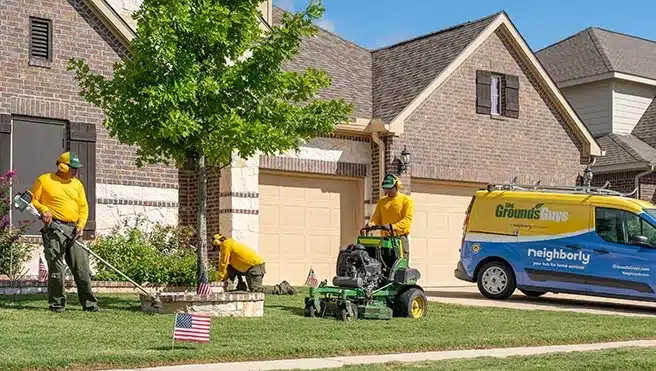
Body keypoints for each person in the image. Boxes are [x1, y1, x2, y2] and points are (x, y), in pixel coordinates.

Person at [29, 151, 99, 313]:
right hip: (55, 228)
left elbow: (83, 207)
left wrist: (81, 225)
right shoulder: (45, 180)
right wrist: (44, 210)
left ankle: (90, 305)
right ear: (62, 166)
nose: (76, 171)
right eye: (73, 168)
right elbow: (33, 199)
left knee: (82, 267)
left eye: (77, 168)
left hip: (74, 229)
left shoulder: (77, 184)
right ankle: (57, 305)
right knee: (56, 268)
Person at [212, 234, 296, 295]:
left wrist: (219, 280)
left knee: (256, 290)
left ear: (217, 243)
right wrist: (223, 279)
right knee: (230, 267)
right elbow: (227, 267)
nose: (218, 250)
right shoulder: (229, 243)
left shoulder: (225, 245)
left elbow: (223, 264)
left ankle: (283, 287)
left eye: (216, 248)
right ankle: (241, 287)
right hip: (250, 267)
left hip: (255, 267)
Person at [369, 173, 415, 262]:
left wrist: (392, 227)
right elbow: (376, 218)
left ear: (397, 186)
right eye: (386, 188)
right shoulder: (382, 201)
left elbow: (407, 220)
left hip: (400, 238)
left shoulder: (406, 200)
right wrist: (372, 224)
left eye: (390, 188)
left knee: (400, 265)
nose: (388, 190)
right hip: (385, 239)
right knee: (384, 263)